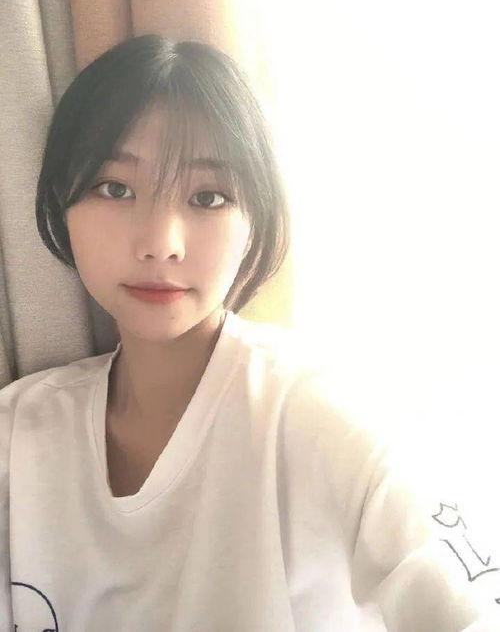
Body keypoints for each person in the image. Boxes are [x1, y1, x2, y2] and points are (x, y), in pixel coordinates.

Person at [0, 34, 498, 631]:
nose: (161, 243)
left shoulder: (320, 415)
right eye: (116, 189)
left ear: (254, 220)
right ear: (63, 200)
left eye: (208, 197)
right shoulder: (19, 431)